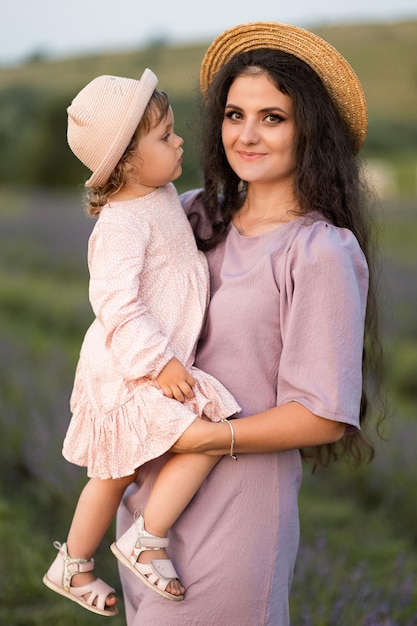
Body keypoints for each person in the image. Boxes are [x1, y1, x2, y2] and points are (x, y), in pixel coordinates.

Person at [116, 21, 384, 625]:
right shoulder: (191, 215)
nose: (247, 135)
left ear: (309, 130)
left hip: (237, 509)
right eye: (235, 115)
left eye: (273, 118)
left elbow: (323, 414)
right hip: (146, 500)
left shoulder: (320, 252)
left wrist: (210, 438)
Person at [42, 69, 241, 617]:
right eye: (165, 135)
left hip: (150, 361)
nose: (179, 141)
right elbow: (117, 304)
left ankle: (77, 564)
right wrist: (161, 364)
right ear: (128, 161)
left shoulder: (160, 194)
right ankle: (141, 539)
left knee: (117, 474)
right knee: (200, 435)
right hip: (130, 364)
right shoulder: (120, 225)